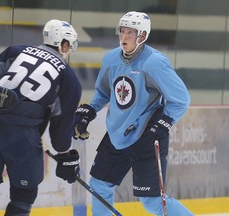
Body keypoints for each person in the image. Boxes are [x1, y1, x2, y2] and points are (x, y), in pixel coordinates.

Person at [73, 11, 194, 216]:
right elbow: (103, 92)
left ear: (142, 36)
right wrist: (90, 111)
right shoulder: (111, 59)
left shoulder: (154, 63)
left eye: (131, 32)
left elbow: (181, 99)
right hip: (116, 134)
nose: (124, 36)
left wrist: (163, 123)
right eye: (122, 31)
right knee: (100, 185)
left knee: (152, 202)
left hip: (147, 136)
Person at [0, 19, 81, 216]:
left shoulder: (16, 51)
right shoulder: (68, 79)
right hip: (23, 139)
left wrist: (0, 105)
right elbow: (60, 131)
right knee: (23, 194)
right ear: (64, 44)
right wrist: (64, 155)